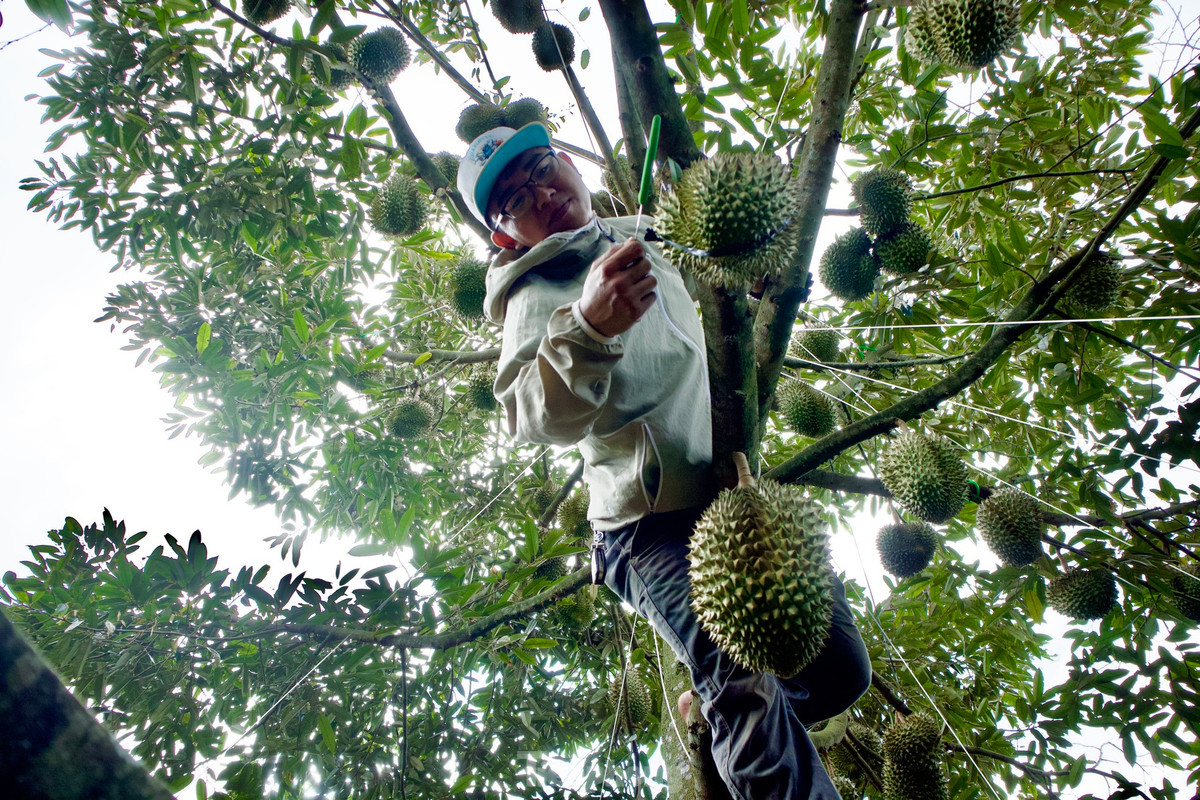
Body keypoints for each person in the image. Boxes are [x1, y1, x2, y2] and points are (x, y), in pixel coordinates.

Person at [458, 121, 872, 800]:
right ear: (506, 236)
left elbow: (719, 288)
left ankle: (711, 712)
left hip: (734, 494)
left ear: (566, 163)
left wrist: (751, 277)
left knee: (840, 673)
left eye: (539, 170)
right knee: (744, 685)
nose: (541, 195)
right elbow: (529, 414)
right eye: (514, 201)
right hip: (648, 526)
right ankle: (730, 713)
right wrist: (588, 326)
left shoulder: (650, 235)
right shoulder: (532, 291)